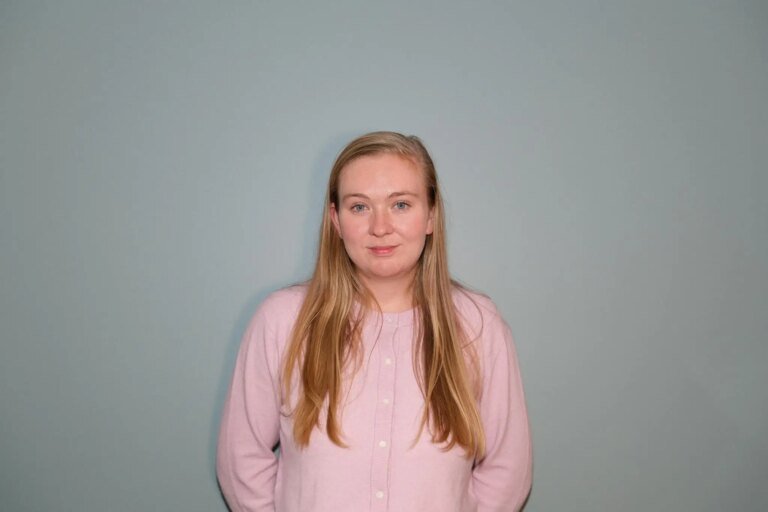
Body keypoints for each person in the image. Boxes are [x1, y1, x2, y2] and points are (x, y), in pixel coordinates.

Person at [216, 131, 532, 511]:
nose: (380, 227)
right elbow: (242, 458)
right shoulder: (282, 321)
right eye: (360, 207)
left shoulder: (478, 326)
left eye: (400, 204)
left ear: (431, 215)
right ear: (336, 220)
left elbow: (507, 470)